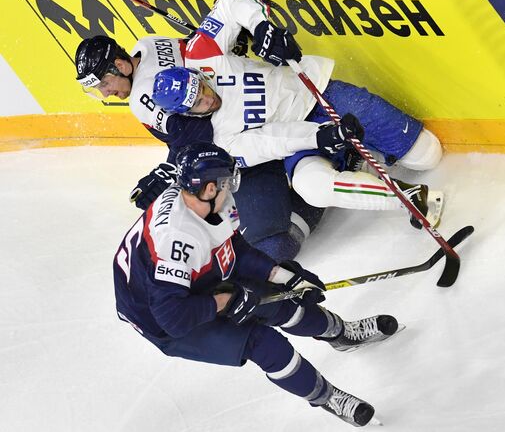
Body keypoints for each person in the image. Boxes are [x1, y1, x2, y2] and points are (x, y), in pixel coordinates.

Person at [113, 142, 401, 427]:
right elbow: (173, 318)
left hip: (191, 280)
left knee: (285, 300)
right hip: (160, 318)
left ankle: (341, 334)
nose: (233, 187)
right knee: (264, 344)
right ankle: (325, 397)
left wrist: (283, 277)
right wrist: (226, 301)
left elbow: (234, 249)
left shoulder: (206, 202)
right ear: (210, 188)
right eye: (228, 181)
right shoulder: (177, 239)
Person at [151, 0, 444, 228]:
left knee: (428, 154)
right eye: (199, 103)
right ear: (187, 113)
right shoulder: (220, 139)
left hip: (315, 91)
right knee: (313, 187)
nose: (208, 98)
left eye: (202, 87)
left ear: (198, 76)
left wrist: (261, 27)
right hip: (301, 137)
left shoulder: (201, 54)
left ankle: (359, 152)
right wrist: (320, 136)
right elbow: (271, 141)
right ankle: (407, 197)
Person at [74, 34, 325, 262]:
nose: (106, 94)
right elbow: (198, 44)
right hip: (264, 99)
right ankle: (317, 171)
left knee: (268, 247)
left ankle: (315, 195)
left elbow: (200, 133)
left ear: (120, 66)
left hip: (245, 142)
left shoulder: (142, 97)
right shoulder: (150, 44)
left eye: (104, 85)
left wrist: (167, 171)